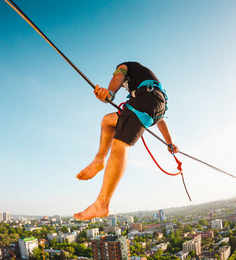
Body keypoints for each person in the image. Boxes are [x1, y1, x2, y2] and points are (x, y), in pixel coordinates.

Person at [73, 62, 178, 221]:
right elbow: (160, 118)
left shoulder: (127, 66)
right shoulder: (145, 83)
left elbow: (119, 75)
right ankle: (99, 159)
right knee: (107, 121)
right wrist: (169, 143)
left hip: (146, 100)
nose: (124, 86)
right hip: (155, 106)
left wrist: (110, 92)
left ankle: (101, 203)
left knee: (120, 144)